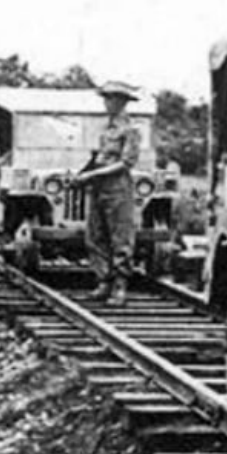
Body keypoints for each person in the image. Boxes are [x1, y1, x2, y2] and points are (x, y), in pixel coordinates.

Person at [81, 80, 142, 305]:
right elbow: (99, 158)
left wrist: (92, 176)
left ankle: (120, 286)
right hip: (98, 188)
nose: (107, 103)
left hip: (118, 188)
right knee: (95, 235)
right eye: (106, 98)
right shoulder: (105, 129)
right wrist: (85, 174)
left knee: (120, 237)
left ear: (122, 102)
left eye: (111, 99)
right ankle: (103, 281)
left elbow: (126, 162)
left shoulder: (131, 130)